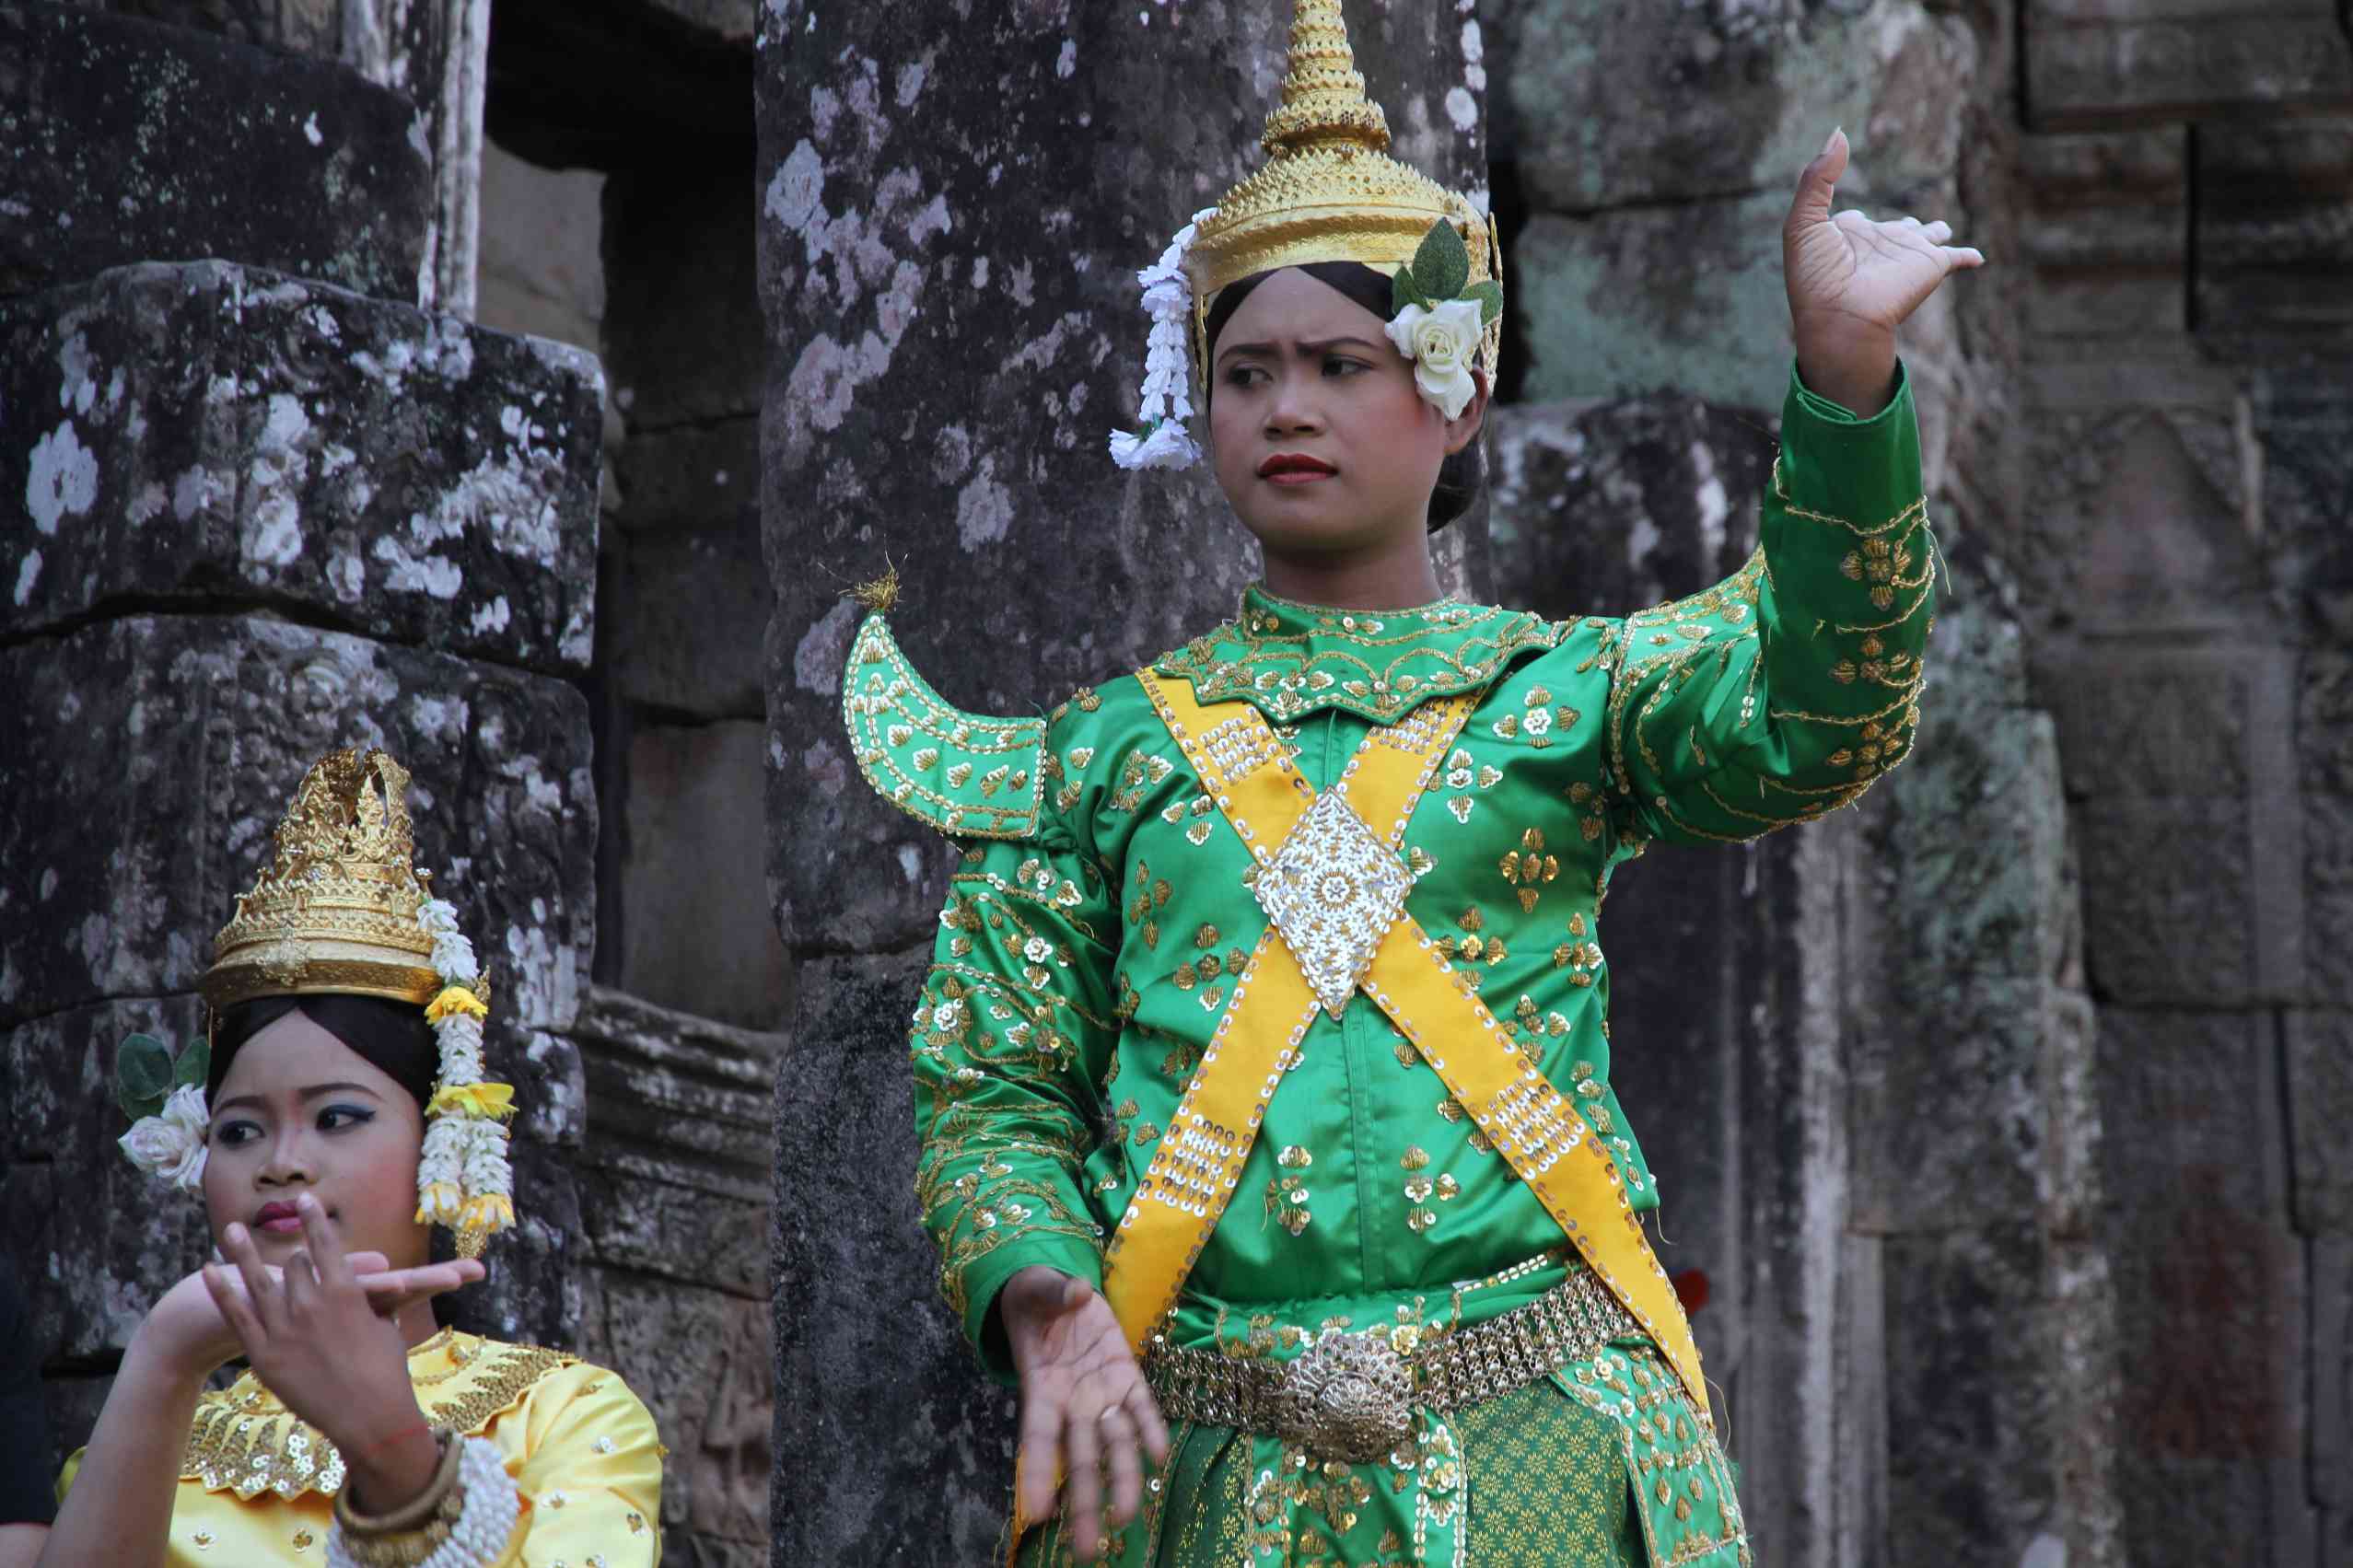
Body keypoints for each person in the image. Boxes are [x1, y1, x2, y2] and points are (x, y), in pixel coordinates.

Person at [837, 2, 1977, 1562]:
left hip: (1549, 1446)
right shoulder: (1105, 754)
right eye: (1245, 373)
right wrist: (1045, 1295)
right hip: (1195, 1457)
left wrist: (1845, 383)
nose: (1286, 406)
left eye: (1338, 362)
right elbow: (993, 1090)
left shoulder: (1568, 696)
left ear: (1454, 392)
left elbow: (1822, 713)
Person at [30, 748, 663, 1567]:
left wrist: (395, 1450)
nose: (281, 1163)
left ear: (443, 1142)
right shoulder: (143, 1439)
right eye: (240, 1130)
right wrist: (166, 1347)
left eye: (337, 1116)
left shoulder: (562, 1416)